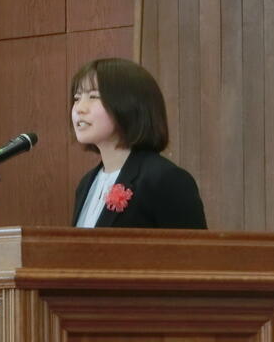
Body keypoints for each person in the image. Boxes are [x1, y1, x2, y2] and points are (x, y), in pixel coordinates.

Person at [70, 58, 207, 229]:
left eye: (93, 96)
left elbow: (192, 246)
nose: (79, 108)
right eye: (77, 98)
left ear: (130, 104)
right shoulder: (86, 183)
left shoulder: (165, 180)